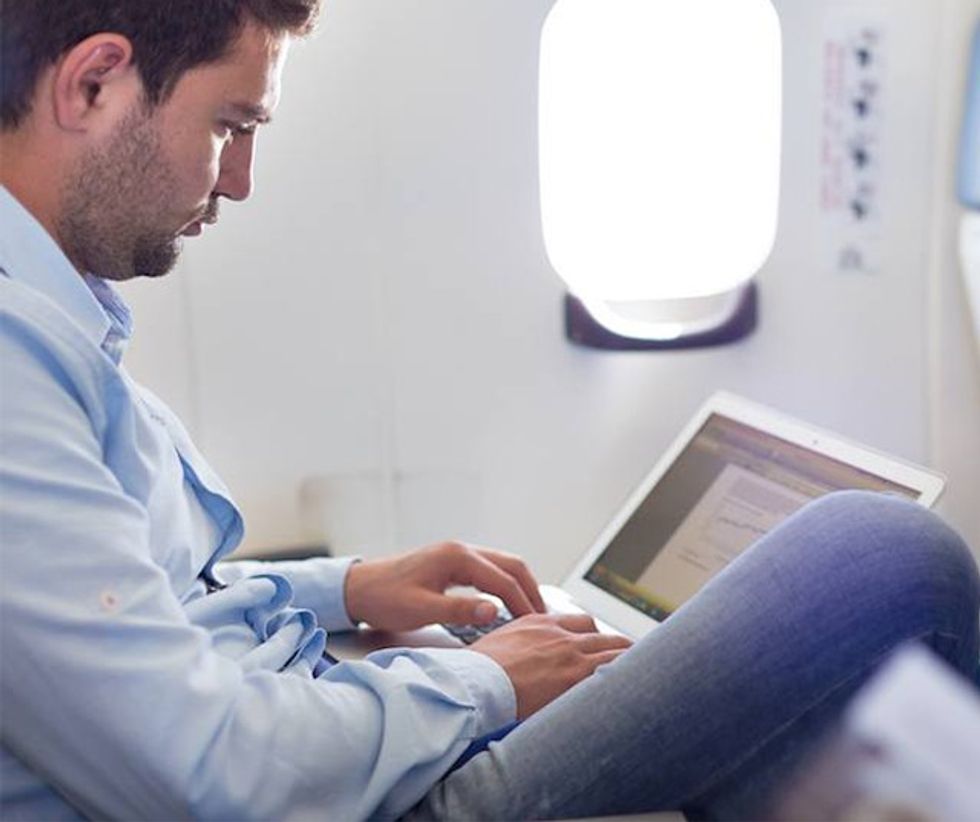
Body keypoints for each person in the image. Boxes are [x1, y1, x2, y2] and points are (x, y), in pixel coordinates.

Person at [0, 2, 977, 819]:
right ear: (92, 85)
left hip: (304, 720)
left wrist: (345, 589)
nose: (240, 180)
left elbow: (154, 602)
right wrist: (487, 682)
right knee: (879, 552)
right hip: (319, 795)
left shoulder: (51, 317)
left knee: (766, 706)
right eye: (229, 125)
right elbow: (206, 769)